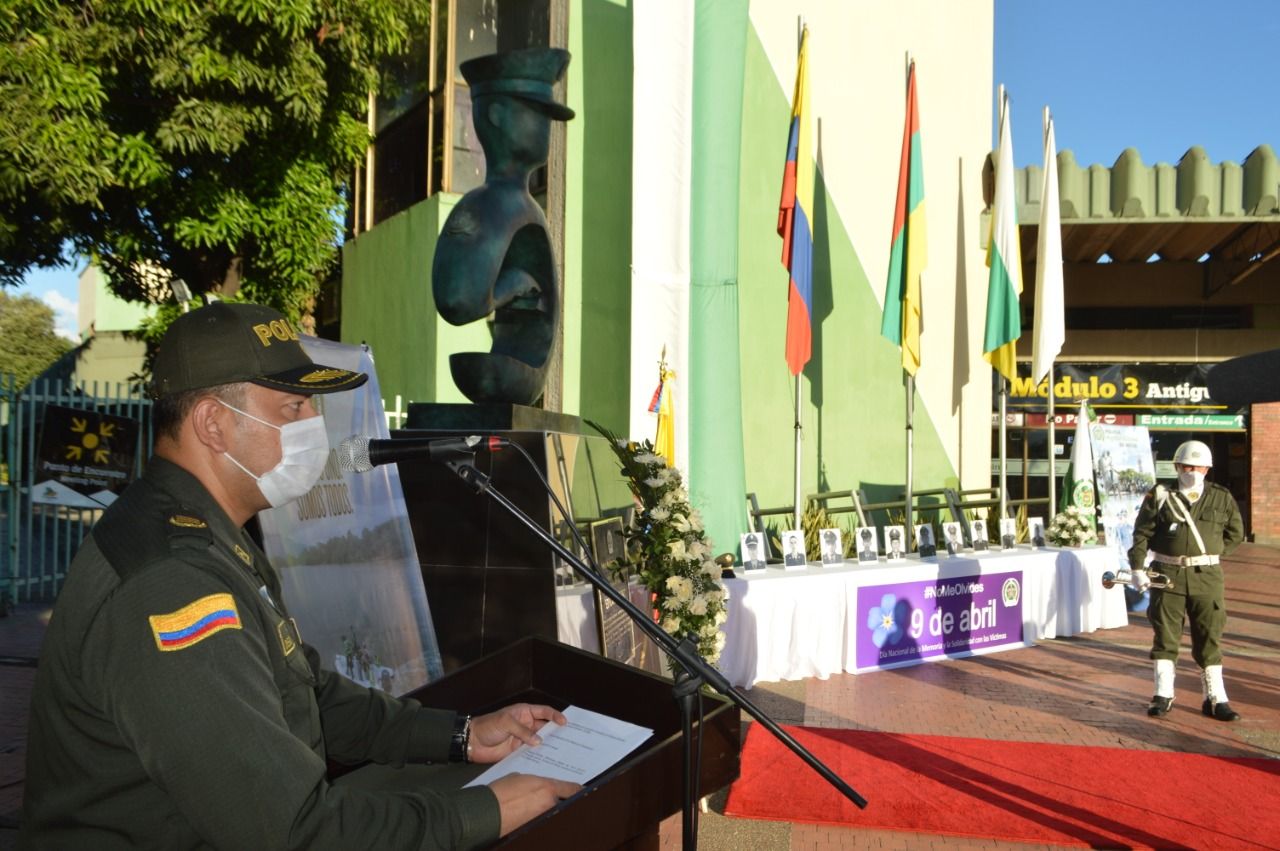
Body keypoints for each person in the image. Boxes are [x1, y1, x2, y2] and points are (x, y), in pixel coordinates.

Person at [21, 302, 579, 849]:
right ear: (214, 424)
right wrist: (484, 812)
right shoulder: (173, 582)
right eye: (293, 409)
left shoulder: (214, 532)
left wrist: (462, 735)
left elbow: (306, 693)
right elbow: (290, 833)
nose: (316, 427)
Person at [1127, 440, 1244, 721]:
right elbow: (1141, 533)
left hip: (1207, 577)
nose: (1192, 471)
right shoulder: (1159, 496)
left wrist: (1210, 554)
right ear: (1177, 466)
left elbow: (1235, 534)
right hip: (1167, 575)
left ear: (1207, 468)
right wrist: (1137, 567)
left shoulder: (1221, 497)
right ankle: (1162, 694)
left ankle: (1215, 698)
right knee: (1166, 636)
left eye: (1198, 466)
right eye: (1187, 466)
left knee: (1209, 636)